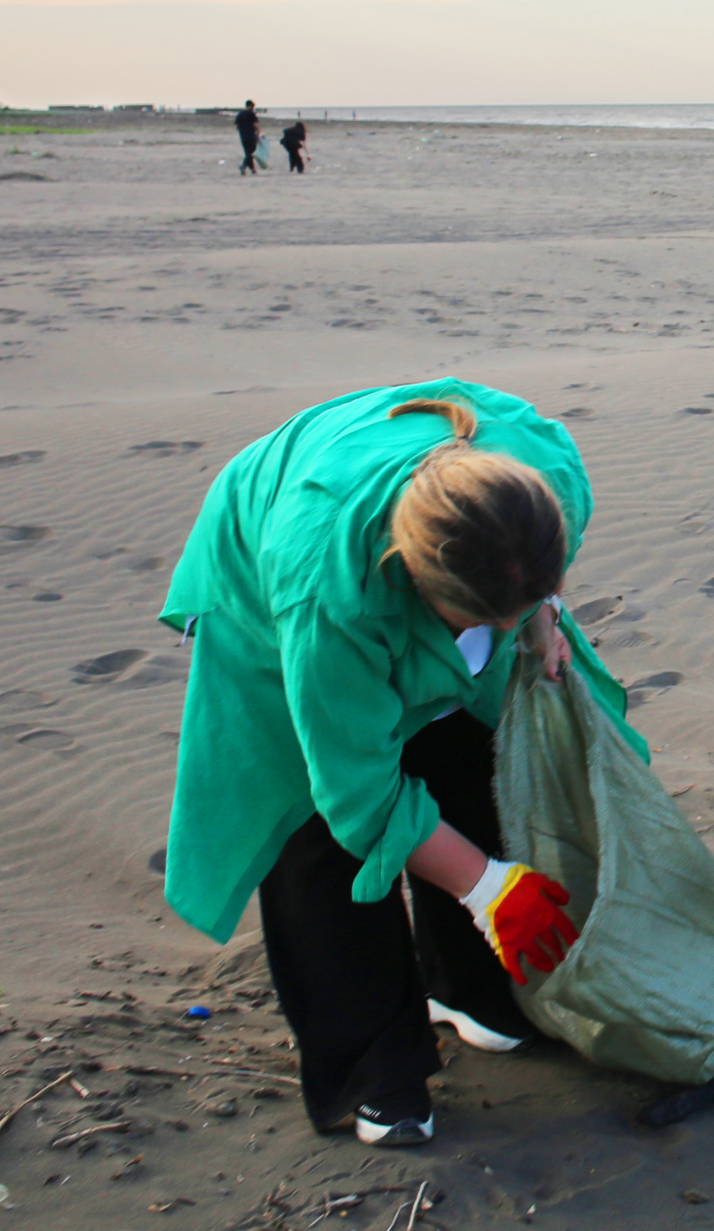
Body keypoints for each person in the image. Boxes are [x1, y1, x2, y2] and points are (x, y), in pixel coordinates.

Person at [160, 382, 632, 1146]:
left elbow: (524, 580)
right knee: (317, 825)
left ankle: (472, 991)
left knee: (471, 750)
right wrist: (486, 888)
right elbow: (357, 789)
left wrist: (539, 619)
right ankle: (370, 1065)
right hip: (266, 579)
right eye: (483, 619)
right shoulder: (325, 590)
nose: (502, 628)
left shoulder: (545, 475)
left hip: (463, 556)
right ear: (417, 585)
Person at [235, 100, 262, 175]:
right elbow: (254, 124)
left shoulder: (240, 114)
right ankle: (243, 166)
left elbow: (236, 126)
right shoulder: (251, 113)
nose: (253, 108)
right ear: (250, 106)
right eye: (253, 107)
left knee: (248, 153)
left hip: (243, 136)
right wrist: (259, 132)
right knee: (251, 153)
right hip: (251, 136)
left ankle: (253, 169)